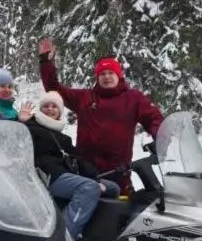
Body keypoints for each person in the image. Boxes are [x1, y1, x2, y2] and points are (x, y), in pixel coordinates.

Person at [38, 38, 163, 194]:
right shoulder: (85, 98)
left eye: (111, 73)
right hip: (85, 171)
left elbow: (154, 118)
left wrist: (160, 135)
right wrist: (46, 63)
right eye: (102, 73)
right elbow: (54, 89)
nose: (107, 76)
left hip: (119, 172)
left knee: (125, 213)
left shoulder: (133, 99)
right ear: (97, 77)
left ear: (119, 76)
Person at [24, 90, 120, 239]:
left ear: (60, 111)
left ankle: (93, 232)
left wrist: (94, 176)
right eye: (46, 106)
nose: (50, 109)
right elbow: (13, 139)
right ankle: (64, 239)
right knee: (89, 188)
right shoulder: (31, 127)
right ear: (40, 109)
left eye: (54, 106)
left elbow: (77, 159)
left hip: (64, 173)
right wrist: (21, 122)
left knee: (113, 188)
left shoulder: (63, 137)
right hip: (46, 175)